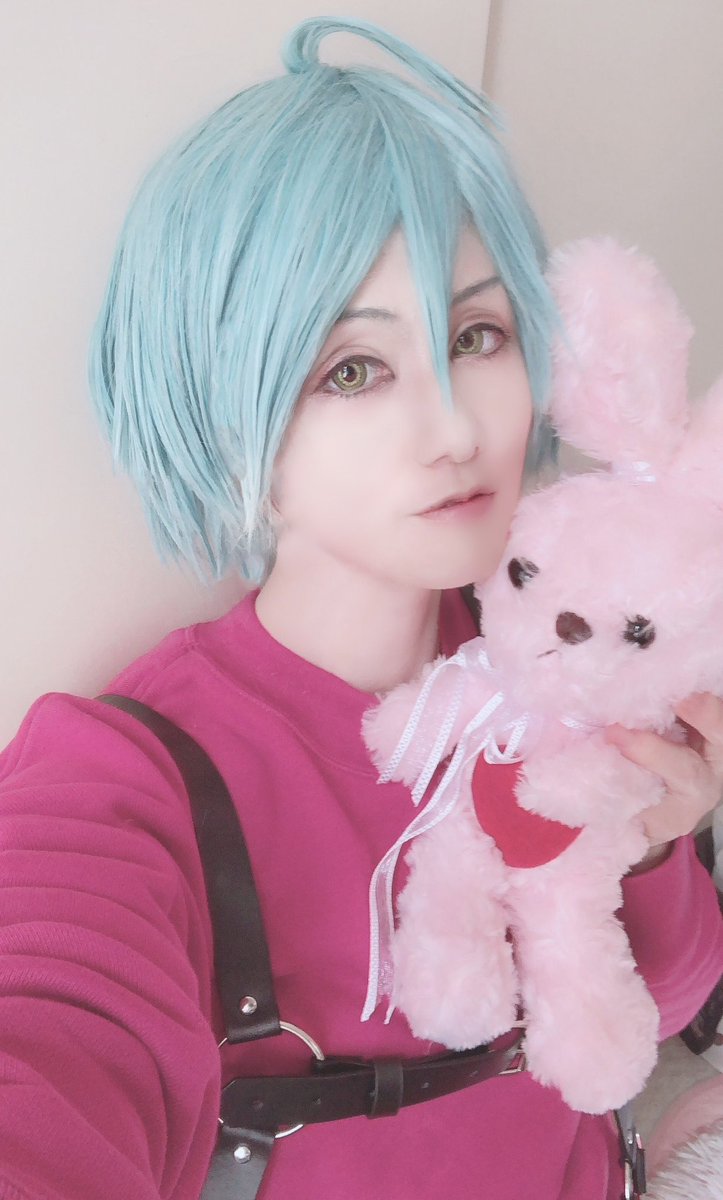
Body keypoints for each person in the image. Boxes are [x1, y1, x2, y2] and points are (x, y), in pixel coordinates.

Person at [1, 17, 721, 1200]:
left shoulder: (567, 657)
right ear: (224, 411)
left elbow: (663, 1004)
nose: (455, 428)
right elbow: (50, 1058)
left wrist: (652, 846)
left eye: (477, 335)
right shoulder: (120, 780)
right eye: (352, 369)